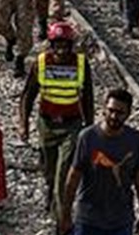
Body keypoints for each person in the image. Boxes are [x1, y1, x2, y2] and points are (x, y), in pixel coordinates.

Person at [19, 22, 94, 225]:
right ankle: (51, 196)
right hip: (47, 124)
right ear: (51, 45)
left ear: (71, 45)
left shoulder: (80, 63)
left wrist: (89, 126)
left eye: (65, 45)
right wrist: (23, 124)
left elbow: (87, 97)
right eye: (57, 44)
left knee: (63, 174)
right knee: (49, 170)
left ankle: (62, 221)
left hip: (71, 125)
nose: (61, 50)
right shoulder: (41, 62)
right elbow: (28, 95)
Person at [59, 88, 139, 235]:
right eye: (111, 110)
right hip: (88, 220)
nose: (114, 116)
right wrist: (65, 215)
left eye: (120, 113)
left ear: (128, 114)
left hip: (121, 221)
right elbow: (73, 177)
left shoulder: (135, 140)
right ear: (104, 110)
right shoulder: (87, 137)